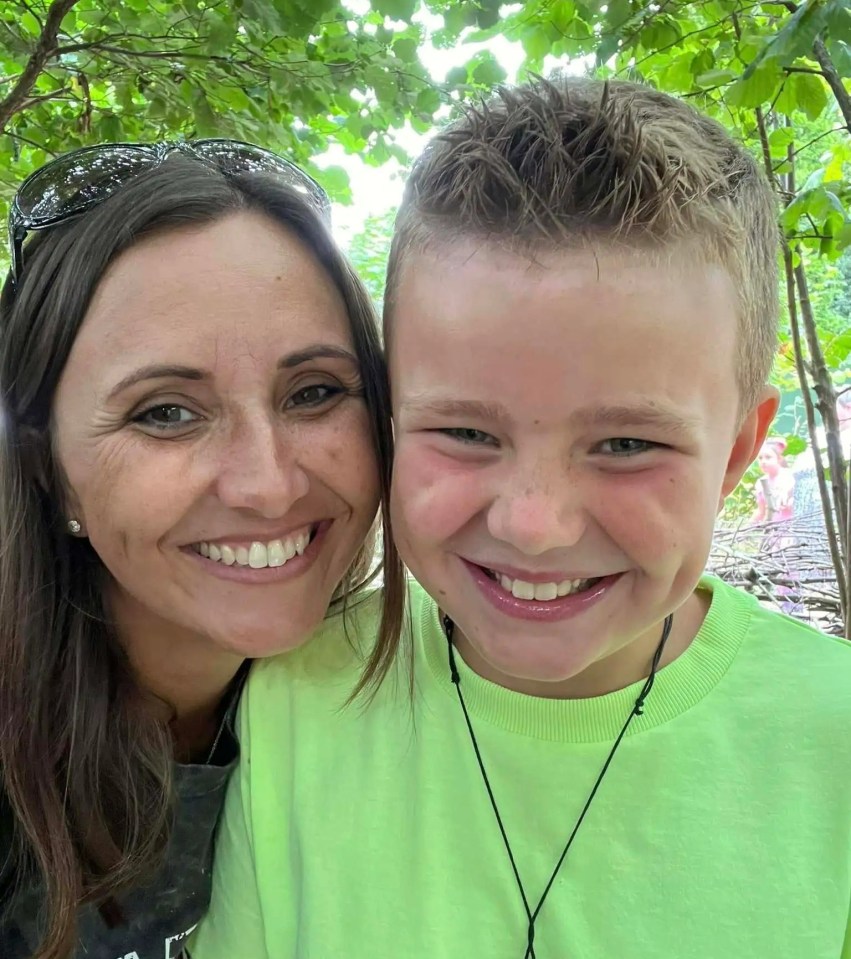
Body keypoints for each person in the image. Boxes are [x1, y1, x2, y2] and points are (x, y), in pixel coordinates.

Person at [193, 78, 851, 958]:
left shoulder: (829, 736)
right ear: (390, 420)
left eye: (624, 444)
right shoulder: (299, 696)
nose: (534, 524)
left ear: (736, 450)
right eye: (465, 431)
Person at [0, 140, 403, 959]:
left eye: (316, 392)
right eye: (165, 412)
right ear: (48, 468)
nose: (268, 484)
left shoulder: (412, 686)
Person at [750, 437, 795, 525]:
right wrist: (746, 527)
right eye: (760, 458)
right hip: (772, 530)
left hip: (791, 528)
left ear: (779, 459)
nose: (763, 461)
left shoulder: (789, 476)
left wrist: (790, 502)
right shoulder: (760, 483)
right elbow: (761, 511)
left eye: (768, 457)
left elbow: (796, 500)